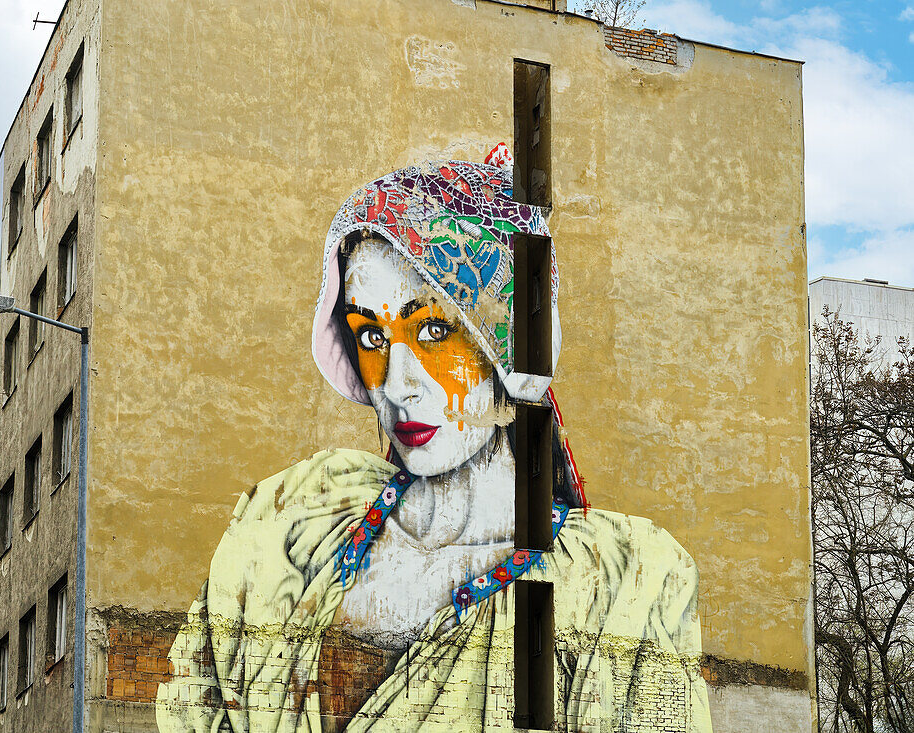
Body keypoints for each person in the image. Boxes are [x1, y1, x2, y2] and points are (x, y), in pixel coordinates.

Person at [156, 146, 712, 733]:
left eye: (433, 330)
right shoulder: (291, 526)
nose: (397, 385)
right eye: (370, 336)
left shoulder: (622, 582)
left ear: (506, 346)